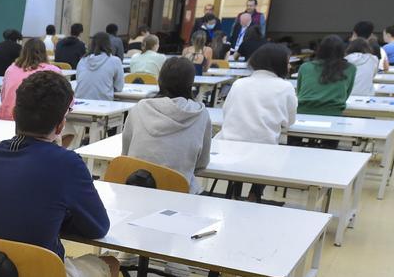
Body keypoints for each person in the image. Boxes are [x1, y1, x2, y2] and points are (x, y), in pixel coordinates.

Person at [0, 71, 119, 277]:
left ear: (14, 114)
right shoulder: (67, 163)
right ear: (61, 125)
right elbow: (98, 227)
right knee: (111, 264)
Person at [214, 44, 296, 202]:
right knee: (269, 149)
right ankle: (255, 193)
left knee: (243, 145)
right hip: (263, 153)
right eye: (287, 62)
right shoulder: (285, 87)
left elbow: (226, 112)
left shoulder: (239, 84)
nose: (289, 66)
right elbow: (289, 121)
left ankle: (234, 191)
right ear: (278, 63)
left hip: (228, 148)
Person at [121, 57, 212, 193]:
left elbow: (126, 154)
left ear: (160, 79)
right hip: (177, 194)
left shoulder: (139, 108)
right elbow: (201, 164)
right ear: (191, 83)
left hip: (134, 189)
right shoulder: (201, 115)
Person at [0, 39, 61, 122]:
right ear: (44, 52)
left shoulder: (11, 69)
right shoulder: (53, 70)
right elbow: (63, 98)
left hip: (7, 118)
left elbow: (3, 96)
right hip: (37, 121)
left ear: (23, 51)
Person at [296, 35, 354, 116]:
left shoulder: (305, 67)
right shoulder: (350, 68)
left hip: (302, 112)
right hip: (334, 112)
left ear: (320, 49)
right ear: (342, 51)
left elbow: (299, 92)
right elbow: (346, 95)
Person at [74, 33, 123, 102]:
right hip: (103, 103)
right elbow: (119, 87)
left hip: (79, 102)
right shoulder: (115, 61)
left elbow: (78, 80)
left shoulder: (82, 60)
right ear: (109, 44)